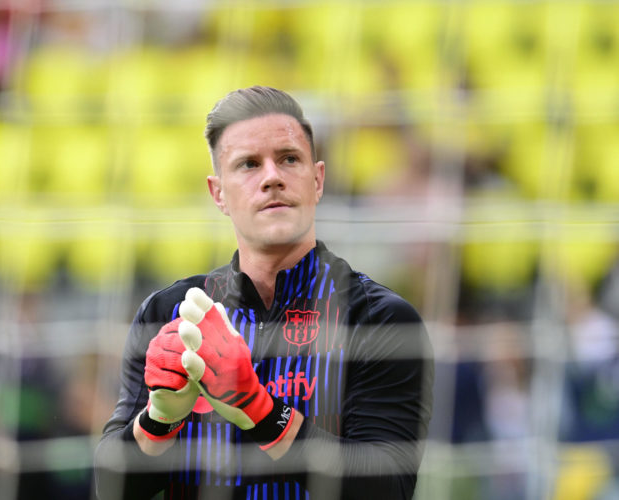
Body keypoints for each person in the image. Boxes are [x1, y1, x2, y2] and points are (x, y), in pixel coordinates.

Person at [94, 86, 434, 499]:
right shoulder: (169, 313)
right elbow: (110, 488)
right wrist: (158, 420)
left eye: (289, 159)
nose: (272, 176)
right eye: (249, 164)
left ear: (318, 179)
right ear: (218, 193)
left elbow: (388, 489)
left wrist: (258, 408)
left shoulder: (380, 318)